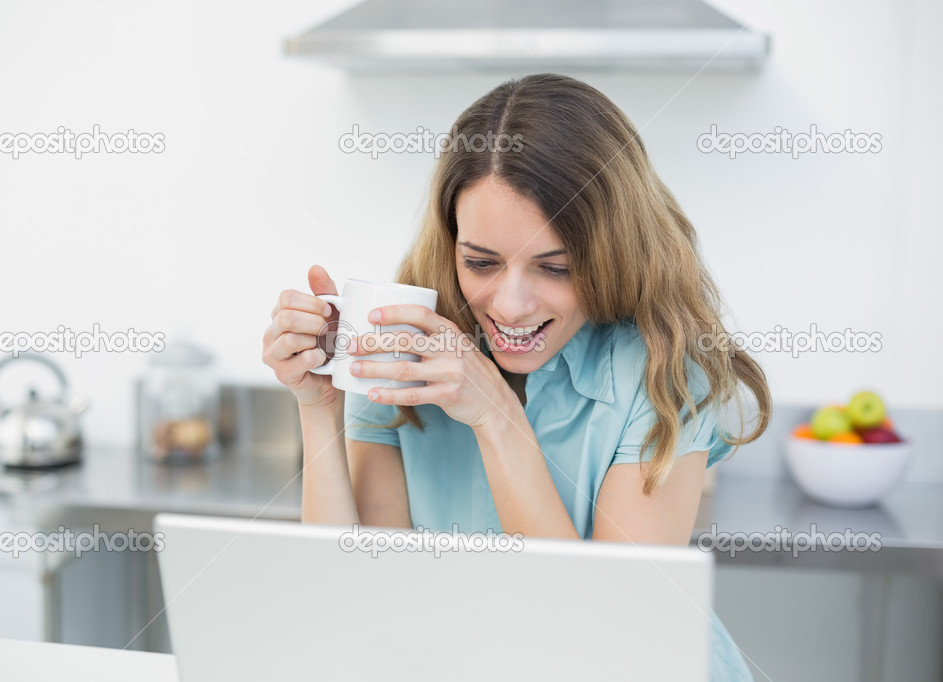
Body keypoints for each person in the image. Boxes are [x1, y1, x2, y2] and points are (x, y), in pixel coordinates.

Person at [262, 73, 771, 681]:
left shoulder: (663, 377)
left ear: (611, 251)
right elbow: (362, 598)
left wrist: (497, 417)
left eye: (554, 267)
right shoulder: (407, 352)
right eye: (481, 262)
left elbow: (603, 648)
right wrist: (318, 406)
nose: (511, 305)